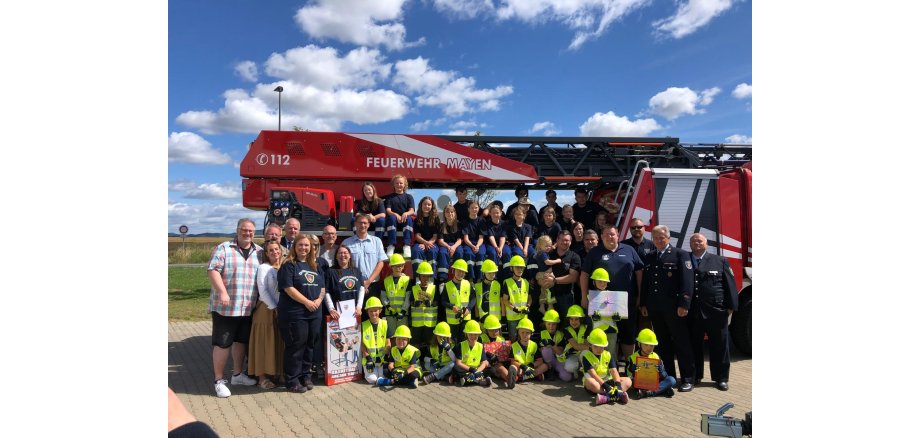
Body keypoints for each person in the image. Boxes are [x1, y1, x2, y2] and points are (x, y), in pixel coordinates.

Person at [207, 218, 262, 398]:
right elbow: (213, 270)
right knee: (222, 343)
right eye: (244, 230)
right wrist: (222, 292)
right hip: (226, 307)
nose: (247, 233)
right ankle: (218, 380)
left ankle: (237, 375)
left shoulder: (259, 252)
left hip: (247, 308)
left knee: (241, 342)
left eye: (250, 231)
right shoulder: (224, 248)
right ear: (237, 230)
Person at [639, 225, 696, 392]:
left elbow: (687, 282)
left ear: (669, 238)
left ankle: (687, 378)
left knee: (681, 343)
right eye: (655, 237)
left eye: (662, 237)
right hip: (655, 308)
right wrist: (643, 303)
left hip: (675, 309)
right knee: (663, 344)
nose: (658, 240)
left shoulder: (680, 255)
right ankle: (669, 377)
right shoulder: (649, 257)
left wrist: (684, 304)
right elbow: (646, 284)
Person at [580, 224, 644, 366]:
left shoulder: (629, 250)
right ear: (601, 237)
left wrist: (640, 295)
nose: (610, 237)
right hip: (602, 303)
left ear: (618, 235)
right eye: (607, 234)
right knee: (607, 335)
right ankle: (607, 368)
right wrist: (584, 297)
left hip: (626, 302)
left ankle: (629, 367)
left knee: (628, 334)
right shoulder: (595, 252)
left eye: (613, 234)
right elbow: (584, 274)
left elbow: (639, 272)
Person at [688, 233, 739, 391]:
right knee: (694, 346)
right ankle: (695, 376)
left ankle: (721, 378)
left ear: (706, 243)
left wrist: (731, 307)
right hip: (693, 312)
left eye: (700, 240)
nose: (697, 243)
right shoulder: (685, 260)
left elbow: (730, 285)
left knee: (720, 347)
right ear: (690, 244)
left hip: (716, 312)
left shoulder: (720, 260)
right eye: (694, 241)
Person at [277, 233, 326, 393]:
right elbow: (288, 288)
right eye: (300, 245)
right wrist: (307, 302)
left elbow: (323, 288)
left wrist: (318, 301)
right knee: (296, 346)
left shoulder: (315, 265)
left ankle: (306, 376)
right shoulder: (289, 265)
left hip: (314, 313)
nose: (304, 248)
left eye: (307, 245)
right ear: (295, 247)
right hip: (295, 314)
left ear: (311, 248)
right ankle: (292, 380)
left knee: (310, 345)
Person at [249, 239, 284, 389]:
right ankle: (262, 377)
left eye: (277, 249)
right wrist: (274, 307)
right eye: (271, 250)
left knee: (278, 342)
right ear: (266, 253)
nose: (275, 252)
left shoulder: (285, 266)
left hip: (282, 309)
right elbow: (262, 291)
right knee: (264, 343)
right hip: (266, 309)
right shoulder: (263, 268)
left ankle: (278, 373)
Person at [534, 230, 581, 319]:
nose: (564, 242)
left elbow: (573, 277)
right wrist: (540, 280)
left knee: (565, 324)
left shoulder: (574, 257)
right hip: (548, 295)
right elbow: (537, 270)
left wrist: (554, 281)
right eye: (562, 239)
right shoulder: (548, 254)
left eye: (567, 240)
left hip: (565, 297)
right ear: (557, 240)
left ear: (571, 242)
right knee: (549, 324)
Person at [342, 213, 388, 298]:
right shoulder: (346, 243)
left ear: (369, 225)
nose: (362, 225)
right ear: (355, 224)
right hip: (352, 285)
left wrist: (368, 281)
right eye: (360, 222)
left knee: (373, 311)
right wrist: (358, 282)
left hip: (373, 285)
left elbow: (380, 263)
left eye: (365, 223)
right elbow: (344, 265)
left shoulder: (377, 241)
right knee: (356, 311)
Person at [583, 328, 632, 405]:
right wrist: (607, 387)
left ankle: (607, 398)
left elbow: (614, 371)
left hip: (608, 381)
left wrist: (618, 386)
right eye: (596, 346)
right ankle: (618, 395)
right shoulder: (586, 356)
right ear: (590, 344)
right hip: (596, 382)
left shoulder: (608, 354)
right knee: (590, 382)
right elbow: (594, 375)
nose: (599, 349)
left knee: (628, 381)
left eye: (601, 347)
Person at [627, 328, 676, 399]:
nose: (649, 348)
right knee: (633, 381)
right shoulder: (633, 357)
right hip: (640, 382)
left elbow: (665, 377)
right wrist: (632, 370)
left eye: (652, 345)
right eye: (646, 345)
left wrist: (662, 372)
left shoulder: (656, 356)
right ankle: (662, 390)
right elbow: (628, 376)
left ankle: (647, 393)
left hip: (654, 382)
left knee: (672, 380)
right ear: (639, 344)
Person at [324, 245, 365, 325]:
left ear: (350, 255)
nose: (343, 255)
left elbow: (361, 289)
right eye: (340, 253)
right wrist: (331, 309)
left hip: (354, 313)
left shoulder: (356, 271)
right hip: (337, 314)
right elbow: (326, 292)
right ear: (336, 256)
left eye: (345, 253)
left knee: (353, 337)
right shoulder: (330, 271)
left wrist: (359, 306)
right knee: (337, 337)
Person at [586, 268, 620, 358]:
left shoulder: (613, 296)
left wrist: (617, 316)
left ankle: (612, 370)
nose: (602, 284)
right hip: (598, 328)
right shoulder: (590, 296)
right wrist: (594, 315)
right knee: (597, 353)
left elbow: (619, 311)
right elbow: (590, 312)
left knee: (611, 352)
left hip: (612, 328)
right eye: (600, 281)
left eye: (604, 282)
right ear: (594, 282)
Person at [440, 259, 475, 345]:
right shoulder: (447, 285)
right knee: (453, 341)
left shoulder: (468, 284)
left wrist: (469, 308)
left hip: (465, 318)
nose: (460, 274)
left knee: (464, 341)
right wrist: (452, 307)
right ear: (454, 270)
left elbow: (473, 298)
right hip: (452, 320)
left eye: (463, 272)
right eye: (458, 271)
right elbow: (443, 301)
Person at [507, 318, 548, 387]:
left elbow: (540, 361)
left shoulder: (534, 345)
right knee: (512, 367)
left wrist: (530, 366)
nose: (524, 335)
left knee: (545, 366)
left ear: (531, 333)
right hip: (520, 368)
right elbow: (512, 361)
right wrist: (523, 367)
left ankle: (522, 378)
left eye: (527, 333)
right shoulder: (514, 345)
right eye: (522, 332)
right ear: (518, 333)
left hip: (531, 367)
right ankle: (534, 376)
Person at [452, 320, 492, 387]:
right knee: (455, 368)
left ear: (479, 335)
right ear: (466, 334)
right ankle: (480, 380)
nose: (473, 336)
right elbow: (458, 363)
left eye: (475, 334)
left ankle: (468, 379)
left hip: (477, 369)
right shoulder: (460, 345)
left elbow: (484, 362)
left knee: (491, 369)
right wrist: (471, 369)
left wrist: (477, 371)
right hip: (466, 369)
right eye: (470, 334)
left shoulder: (480, 346)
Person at [360, 297, 390, 385]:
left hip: (381, 360)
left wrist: (385, 358)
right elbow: (362, 344)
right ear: (367, 312)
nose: (373, 313)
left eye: (376, 310)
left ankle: (382, 379)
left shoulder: (385, 324)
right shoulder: (363, 325)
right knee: (372, 380)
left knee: (384, 376)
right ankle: (381, 380)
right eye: (371, 311)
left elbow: (388, 343)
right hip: (369, 359)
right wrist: (367, 357)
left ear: (380, 310)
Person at [384, 174, 415, 258]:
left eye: (401, 183)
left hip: (405, 221)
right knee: (391, 218)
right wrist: (395, 214)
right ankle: (391, 246)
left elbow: (412, 210)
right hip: (394, 221)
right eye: (397, 183)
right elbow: (388, 210)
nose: (399, 185)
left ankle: (407, 246)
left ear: (404, 184)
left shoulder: (409, 197)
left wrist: (406, 213)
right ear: (393, 184)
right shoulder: (390, 198)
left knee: (409, 218)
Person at [437, 204, 470, 282]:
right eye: (447, 212)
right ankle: (443, 278)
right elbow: (440, 241)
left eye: (452, 212)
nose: (450, 214)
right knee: (442, 253)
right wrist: (449, 247)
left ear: (455, 213)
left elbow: (460, 239)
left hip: (456, 245)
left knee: (459, 252)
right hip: (445, 245)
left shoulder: (459, 224)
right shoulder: (441, 225)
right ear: (444, 214)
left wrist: (453, 247)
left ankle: (458, 277)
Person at [409, 261, 438, 346]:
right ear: (419, 277)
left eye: (427, 276)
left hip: (430, 323)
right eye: (423, 276)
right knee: (415, 343)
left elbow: (437, 302)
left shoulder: (434, 288)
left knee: (430, 343)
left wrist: (430, 304)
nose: (425, 279)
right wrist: (415, 303)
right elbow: (410, 302)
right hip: (417, 323)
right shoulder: (414, 288)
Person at [382, 254, 411, 338]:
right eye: (395, 266)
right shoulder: (386, 280)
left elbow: (408, 297)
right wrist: (389, 308)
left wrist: (403, 311)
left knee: (402, 335)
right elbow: (383, 296)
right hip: (390, 314)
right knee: (391, 336)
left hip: (403, 315)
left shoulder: (407, 280)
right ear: (391, 267)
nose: (398, 268)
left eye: (400, 266)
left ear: (403, 267)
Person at [501, 255, 530, 337]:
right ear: (511, 268)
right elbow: (505, 300)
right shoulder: (507, 282)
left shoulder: (526, 282)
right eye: (517, 267)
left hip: (524, 316)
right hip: (512, 317)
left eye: (521, 268)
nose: (520, 270)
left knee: (524, 337)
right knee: (513, 337)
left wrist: (528, 306)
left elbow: (529, 298)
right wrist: (514, 308)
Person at [412, 196, 441, 276]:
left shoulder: (436, 219)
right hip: (420, 243)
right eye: (425, 204)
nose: (426, 206)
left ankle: (432, 278)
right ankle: (417, 278)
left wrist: (428, 244)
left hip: (432, 242)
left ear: (432, 206)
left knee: (432, 252)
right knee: (416, 251)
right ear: (421, 205)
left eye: (429, 204)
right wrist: (425, 243)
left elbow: (435, 236)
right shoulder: (417, 219)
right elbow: (417, 235)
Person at [539, 309, 571, 381]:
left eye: (554, 324)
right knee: (546, 349)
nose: (551, 326)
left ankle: (556, 371)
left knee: (567, 377)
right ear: (545, 323)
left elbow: (560, 352)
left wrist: (552, 344)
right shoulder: (541, 334)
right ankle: (550, 370)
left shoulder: (561, 334)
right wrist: (553, 348)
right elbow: (540, 351)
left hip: (558, 361)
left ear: (557, 324)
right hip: (546, 363)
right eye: (549, 324)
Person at [532, 235, 562, 315]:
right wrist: (557, 261)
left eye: (549, 245)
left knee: (543, 290)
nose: (549, 248)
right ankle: (550, 304)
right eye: (546, 246)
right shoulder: (543, 254)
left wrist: (554, 245)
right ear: (540, 246)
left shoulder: (542, 251)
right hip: (544, 273)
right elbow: (548, 262)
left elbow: (551, 247)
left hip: (542, 273)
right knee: (549, 288)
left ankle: (542, 306)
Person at [562, 305, 590, 378]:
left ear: (581, 319)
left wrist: (587, 347)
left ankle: (587, 373)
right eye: (571, 319)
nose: (574, 322)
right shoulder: (566, 330)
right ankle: (576, 370)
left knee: (586, 353)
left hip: (583, 353)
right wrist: (590, 348)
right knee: (569, 367)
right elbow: (576, 346)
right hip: (572, 354)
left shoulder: (586, 328)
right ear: (568, 320)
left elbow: (587, 345)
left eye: (576, 319)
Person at [483, 203, 511, 276]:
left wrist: (500, 248)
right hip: (491, 244)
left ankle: (507, 276)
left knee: (507, 253)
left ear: (501, 213)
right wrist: (496, 248)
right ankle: (494, 276)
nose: (495, 215)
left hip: (502, 244)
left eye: (497, 213)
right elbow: (491, 236)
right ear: (490, 214)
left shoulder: (504, 223)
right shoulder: (487, 223)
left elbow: (503, 237)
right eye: (493, 213)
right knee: (493, 253)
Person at [461, 200, 487, 281]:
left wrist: (477, 246)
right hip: (468, 243)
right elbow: (465, 238)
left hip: (479, 243)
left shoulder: (482, 221)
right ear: (468, 209)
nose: (474, 209)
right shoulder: (465, 221)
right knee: (468, 254)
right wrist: (472, 246)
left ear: (479, 208)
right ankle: (470, 278)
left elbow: (481, 237)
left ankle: (479, 278)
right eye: (472, 208)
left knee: (481, 254)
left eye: (476, 207)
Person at [474, 259, 502, 324]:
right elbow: (476, 304)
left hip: (496, 318)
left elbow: (501, 301)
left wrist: (502, 316)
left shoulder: (497, 285)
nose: (492, 275)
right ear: (484, 273)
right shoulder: (477, 286)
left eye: (493, 273)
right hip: (483, 318)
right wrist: (477, 317)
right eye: (489, 273)